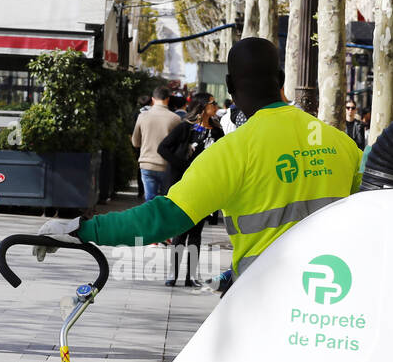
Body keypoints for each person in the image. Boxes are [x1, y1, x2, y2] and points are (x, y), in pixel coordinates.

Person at [35, 37, 362, 281]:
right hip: (333, 292)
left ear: (230, 86)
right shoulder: (340, 143)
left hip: (265, 293)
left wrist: (82, 228)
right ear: (280, 80)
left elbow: (162, 218)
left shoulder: (233, 151)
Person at [158, 92, 224, 287]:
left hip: (204, 187)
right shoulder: (185, 128)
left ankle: (190, 276)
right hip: (183, 187)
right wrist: (183, 165)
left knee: (196, 234)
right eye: (212, 103)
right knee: (180, 232)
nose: (216, 106)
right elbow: (163, 148)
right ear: (203, 107)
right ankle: (173, 274)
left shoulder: (217, 131)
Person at [133, 86, 181, 201]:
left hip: (146, 163)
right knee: (166, 201)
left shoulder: (142, 116)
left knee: (149, 201)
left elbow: (135, 142)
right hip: (166, 165)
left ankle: (149, 219)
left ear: (153, 99)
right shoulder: (176, 119)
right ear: (168, 99)